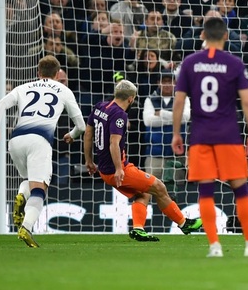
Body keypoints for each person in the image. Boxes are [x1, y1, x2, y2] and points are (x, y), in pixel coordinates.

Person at [170, 17, 248, 258]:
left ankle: (214, 247)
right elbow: (246, 101)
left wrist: (176, 134)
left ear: (203, 35)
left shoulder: (190, 63)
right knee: (241, 190)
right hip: (228, 136)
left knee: (206, 192)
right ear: (226, 36)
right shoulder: (234, 63)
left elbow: (180, 100)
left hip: (200, 136)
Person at [84, 79, 203, 243]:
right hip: (117, 169)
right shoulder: (120, 114)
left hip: (106, 169)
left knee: (144, 194)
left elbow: (88, 133)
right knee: (159, 187)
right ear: (131, 99)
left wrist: (89, 160)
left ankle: (138, 229)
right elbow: (114, 143)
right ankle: (184, 223)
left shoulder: (100, 107)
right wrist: (119, 169)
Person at [0, 56, 86, 247]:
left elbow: (0, 104)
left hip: (15, 140)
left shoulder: (24, 87)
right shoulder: (64, 90)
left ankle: (21, 195)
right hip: (39, 142)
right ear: (58, 74)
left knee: (28, 180)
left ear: (38, 73)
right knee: (40, 189)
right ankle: (27, 226)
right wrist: (72, 135)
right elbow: (81, 125)